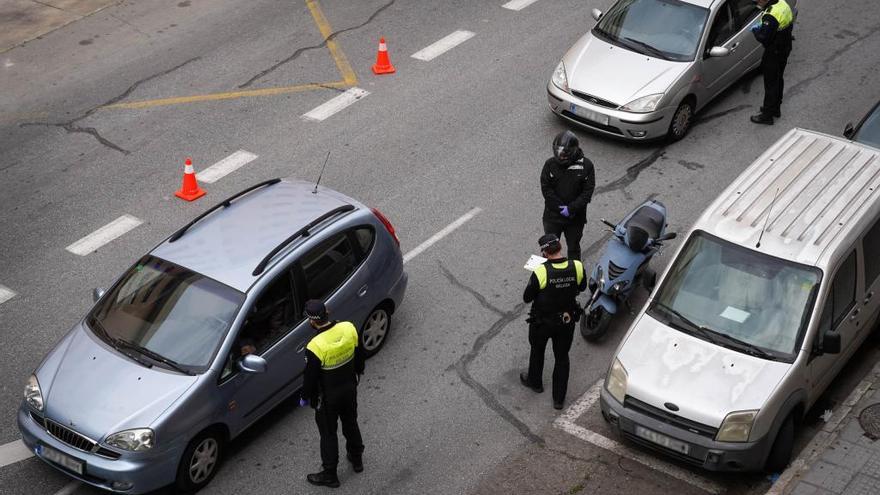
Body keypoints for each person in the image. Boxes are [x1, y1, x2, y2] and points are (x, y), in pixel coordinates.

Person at [300, 300, 365, 488]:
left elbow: (310, 378)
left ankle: (330, 474)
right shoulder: (348, 328)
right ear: (327, 312)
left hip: (328, 398)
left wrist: (306, 397)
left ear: (311, 322)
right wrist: (359, 371)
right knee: (351, 422)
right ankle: (357, 458)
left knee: (328, 433)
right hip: (349, 388)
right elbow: (358, 354)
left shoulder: (315, 346)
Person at [520, 234, 587, 410]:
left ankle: (535, 382)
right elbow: (582, 287)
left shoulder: (541, 271)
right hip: (566, 321)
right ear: (560, 246)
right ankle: (558, 399)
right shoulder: (577, 266)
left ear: (544, 253)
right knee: (562, 358)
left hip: (542, 323)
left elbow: (527, 298)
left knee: (537, 350)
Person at [541, 130, 595, 260]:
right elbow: (546, 190)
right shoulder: (550, 165)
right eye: (558, 154)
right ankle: (548, 275)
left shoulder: (586, 166)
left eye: (564, 155)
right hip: (552, 217)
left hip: (575, 219)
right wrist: (560, 208)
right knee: (549, 249)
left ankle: (575, 275)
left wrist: (571, 209)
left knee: (574, 248)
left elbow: (587, 192)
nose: (561, 157)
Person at [749, 0, 794, 125]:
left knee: (770, 83)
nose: (756, 0)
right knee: (778, 79)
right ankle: (775, 108)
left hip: (774, 52)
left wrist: (756, 31)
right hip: (785, 47)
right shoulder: (782, 4)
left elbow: (764, 38)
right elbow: (789, 23)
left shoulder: (771, 14)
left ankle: (767, 115)